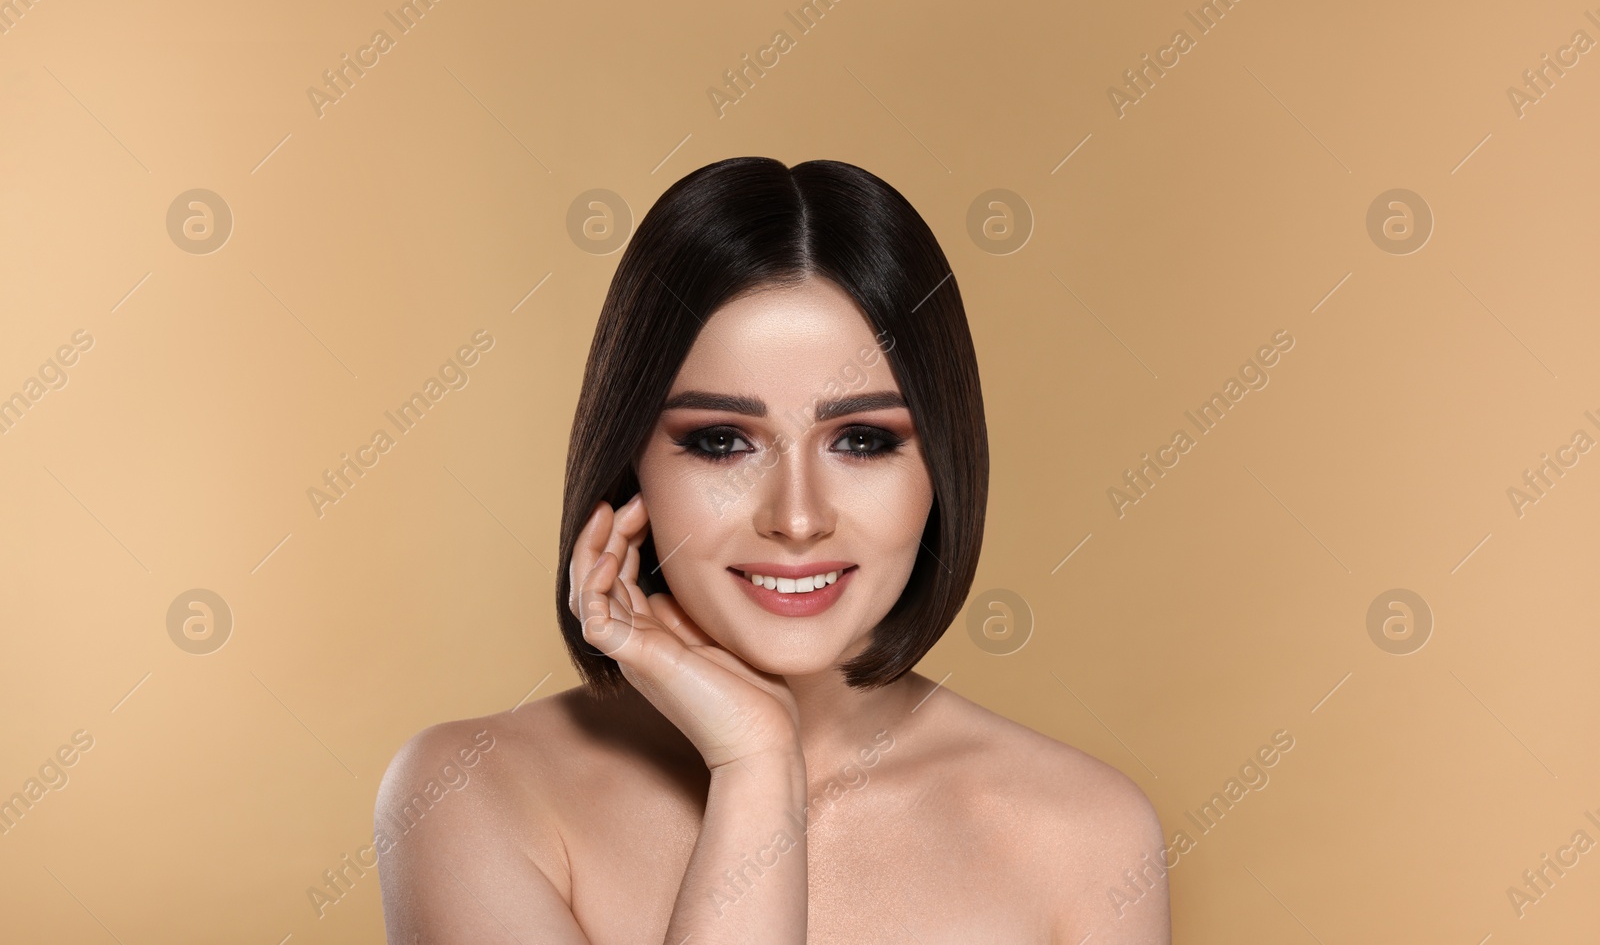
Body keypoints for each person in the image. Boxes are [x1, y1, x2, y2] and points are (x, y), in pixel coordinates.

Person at [376, 156, 1171, 943]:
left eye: (861, 440)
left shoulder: (1086, 839)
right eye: (722, 441)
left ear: (942, 464)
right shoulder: (470, 793)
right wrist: (756, 767)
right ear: (631, 467)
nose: (797, 518)